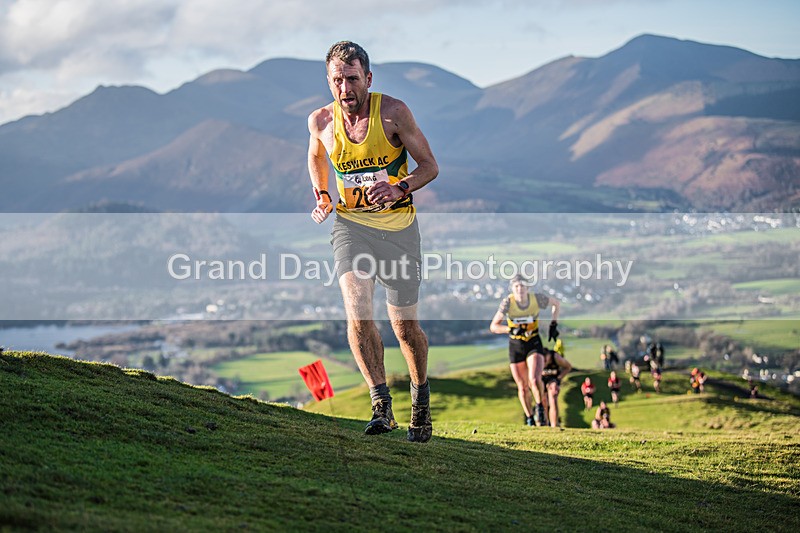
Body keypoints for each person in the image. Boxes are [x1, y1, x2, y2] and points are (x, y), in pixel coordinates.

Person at [307, 41, 439, 442]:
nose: (345, 88)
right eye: (337, 80)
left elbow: (430, 166)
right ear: (329, 82)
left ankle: (420, 397)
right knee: (358, 309)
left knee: (404, 327)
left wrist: (400, 187)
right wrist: (324, 195)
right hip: (352, 226)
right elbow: (316, 156)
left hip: (398, 231)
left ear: (368, 78)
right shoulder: (321, 121)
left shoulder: (394, 113)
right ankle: (381, 404)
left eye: (351, 79)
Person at [490, 274, 561, 426]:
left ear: (528, 288)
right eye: (516, 286)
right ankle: (529, 417)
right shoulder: (508, 302)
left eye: (523, 286)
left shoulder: (537, 299)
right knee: (522, 387)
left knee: (534, 380)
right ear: (512, 289)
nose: (520, 289)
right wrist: (510, 329)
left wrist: (553, 324)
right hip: (516, 346)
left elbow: (556, 304)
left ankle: (540, 408)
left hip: (533, 342)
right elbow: (494, 326)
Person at [540, 347, 572, 427]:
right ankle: (545, 423)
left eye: (545, 361)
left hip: (553, 378)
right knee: (543, 401)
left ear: (548, 356)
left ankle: (554, 424)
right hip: (541, 380)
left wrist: (559, 378)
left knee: (553, 399)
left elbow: (568, 367)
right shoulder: (537, 358)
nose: (544, 363)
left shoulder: (556, 357)